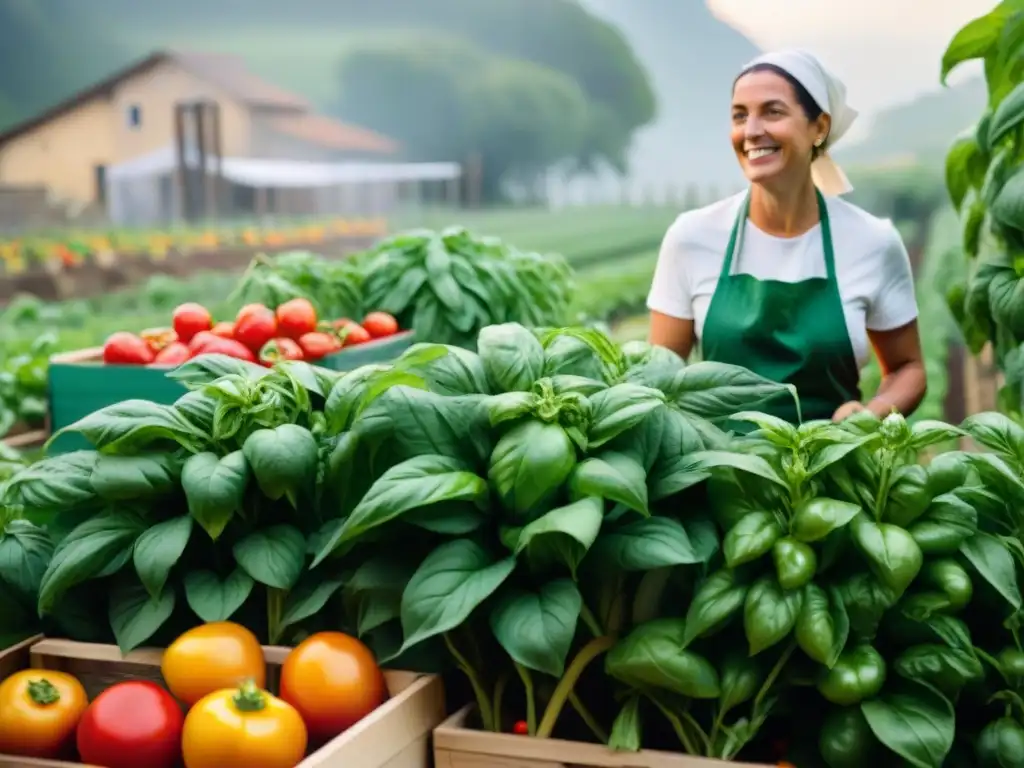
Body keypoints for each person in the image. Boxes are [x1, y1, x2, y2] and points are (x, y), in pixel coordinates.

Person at [646, 50, 926, 424]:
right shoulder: (691, 238)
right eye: (740, 115)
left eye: (772, 112)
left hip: (832, 469)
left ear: (819, 128)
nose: (752, 131)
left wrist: (868, 420)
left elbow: (908, 367)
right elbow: (659, 379)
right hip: (719, 472)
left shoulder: (872, 242)